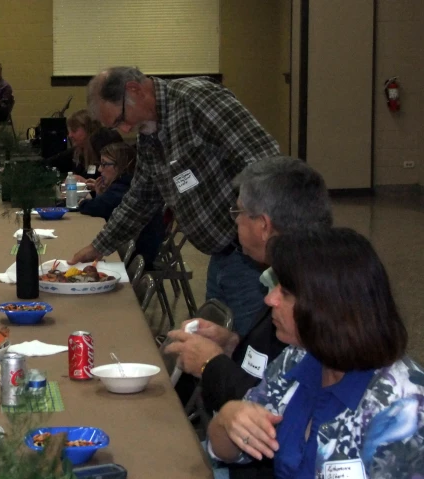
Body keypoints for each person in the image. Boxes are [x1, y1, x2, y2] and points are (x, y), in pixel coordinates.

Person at [70, 67, 281, 336]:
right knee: (218, 342)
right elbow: (141, 197)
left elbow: (265, 162)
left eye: (121, 119)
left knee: (247, 348)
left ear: (135, 90)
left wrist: (256, 227)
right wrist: (99, 246)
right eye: (115, 126)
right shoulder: (149, 132)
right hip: (220, 254)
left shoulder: (198, 99)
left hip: (252, 256)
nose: (124, 129)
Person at [207, 228, 424, 478]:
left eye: (286, 292)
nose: (270, 299)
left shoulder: (406, 408)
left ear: (327, 306)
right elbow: (232, 450)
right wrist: (227, 419)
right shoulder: (299, 357)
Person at [163, 157, 332, 478]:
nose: (235, 222)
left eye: (239, 213)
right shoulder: (283, 278)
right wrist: (232, 346)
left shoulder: (312, 296)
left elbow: (277, 411)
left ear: (264, 224)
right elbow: (272, 366)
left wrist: (210, 365)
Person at [77, 141, 165, 264]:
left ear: (120, 166)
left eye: (104, 164)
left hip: (137, 255)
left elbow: (95, 207)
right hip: (140, 249)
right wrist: (100, 194)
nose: (100, 169)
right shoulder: (125, 183)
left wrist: (81, 201)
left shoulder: (123, 187)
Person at [43, 109, 112, 181]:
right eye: (69, 131)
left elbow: (111, 185)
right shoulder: (77, 151)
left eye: (74, 130)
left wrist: (84, 182)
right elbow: (50, 163)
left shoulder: (105, 152)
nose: (70, 135)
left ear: (89, 130)